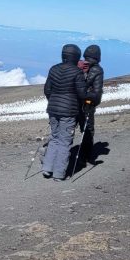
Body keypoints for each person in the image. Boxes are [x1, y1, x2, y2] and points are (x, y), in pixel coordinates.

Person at [41, 43, 87, 180]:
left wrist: (54, 101)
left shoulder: (53, 69)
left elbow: (47, 90)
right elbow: (82, 94)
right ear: (76, 57)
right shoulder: (77, 72)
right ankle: (59, 173)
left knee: (54, 138)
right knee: (65, 141)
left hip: (53, 109)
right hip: (69, 111)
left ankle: (47, 169)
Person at [79, 44, 104, 164]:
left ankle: (62, 154)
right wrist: (93, 103)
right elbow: (97, 92)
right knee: (88, 130)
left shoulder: (79, 65)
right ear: (98, 57)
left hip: (74, 102)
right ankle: (86, 156)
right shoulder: (98, 70)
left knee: (68, 128)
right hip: (88, 105)